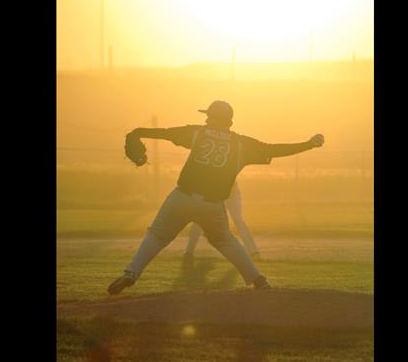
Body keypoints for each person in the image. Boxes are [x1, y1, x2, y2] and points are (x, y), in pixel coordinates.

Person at [108, 100, 324, 295]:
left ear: (213, 118)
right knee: (226, 241)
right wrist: (308, 144)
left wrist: (137, 132)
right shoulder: (241, 144)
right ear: (229, 121)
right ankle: (258, 279)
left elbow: (165, 133)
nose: (206, 118)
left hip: (181, 197)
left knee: (156, 236)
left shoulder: (198, 133)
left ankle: (131, 273)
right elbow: (273, 149)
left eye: (208, 115)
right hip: (212, 205)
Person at [184, 181, 260, 259]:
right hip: (215, 194)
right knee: (200, 219)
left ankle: (253, 251)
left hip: (232, 194)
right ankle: (189, 251)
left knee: (237, 219)